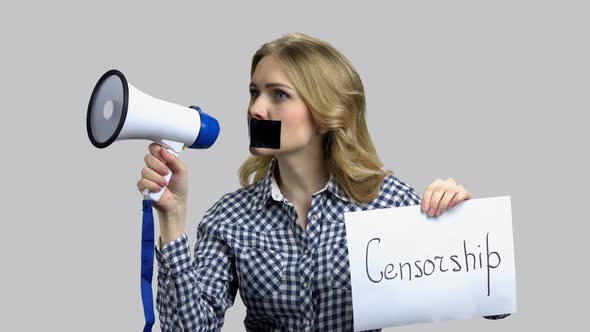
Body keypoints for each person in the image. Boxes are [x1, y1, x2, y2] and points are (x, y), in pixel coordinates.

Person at [137, 33, 479, 331]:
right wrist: (172, 216)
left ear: (325, 112)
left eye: (279, 95)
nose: (256, 108)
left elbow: (490, 299)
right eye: (254, 92)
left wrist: (462, 223)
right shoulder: (229, 219)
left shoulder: (382, 200)